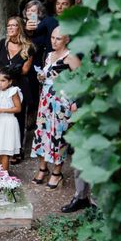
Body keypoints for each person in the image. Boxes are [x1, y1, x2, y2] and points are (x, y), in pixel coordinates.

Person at [31, 27, 81, 190]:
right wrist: (41, 77)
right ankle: (43, 168)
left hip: (62, 103)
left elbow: (83, 81)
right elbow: (47, 76)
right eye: (52, 37)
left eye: (58, 38)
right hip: (45, 101)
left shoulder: (71, 57)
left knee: (58, 136)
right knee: (42, 134)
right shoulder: (49, 55)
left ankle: (57, 173)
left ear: (67, 39)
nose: (53, 41)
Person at [0, 17, 35, 161]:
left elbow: (24, 70)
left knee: (18, 119)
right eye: (9, 25)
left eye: (14, 25)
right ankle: (2, 149)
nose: (11, 28)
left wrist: (7, 72)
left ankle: (17, 150)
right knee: (2, 117)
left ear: (20, 28)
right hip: (2, 86)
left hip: (19, 86)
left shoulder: (28, 47)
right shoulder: (1, 44)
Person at [0, 68, 23, 172]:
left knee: (5, 151)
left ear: (10, 81)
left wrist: (1, 110)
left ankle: (4, 176)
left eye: (3, 81)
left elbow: (18, 108)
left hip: (8, 122)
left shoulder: (13, 91)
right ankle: (2, 172)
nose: (0, 83)